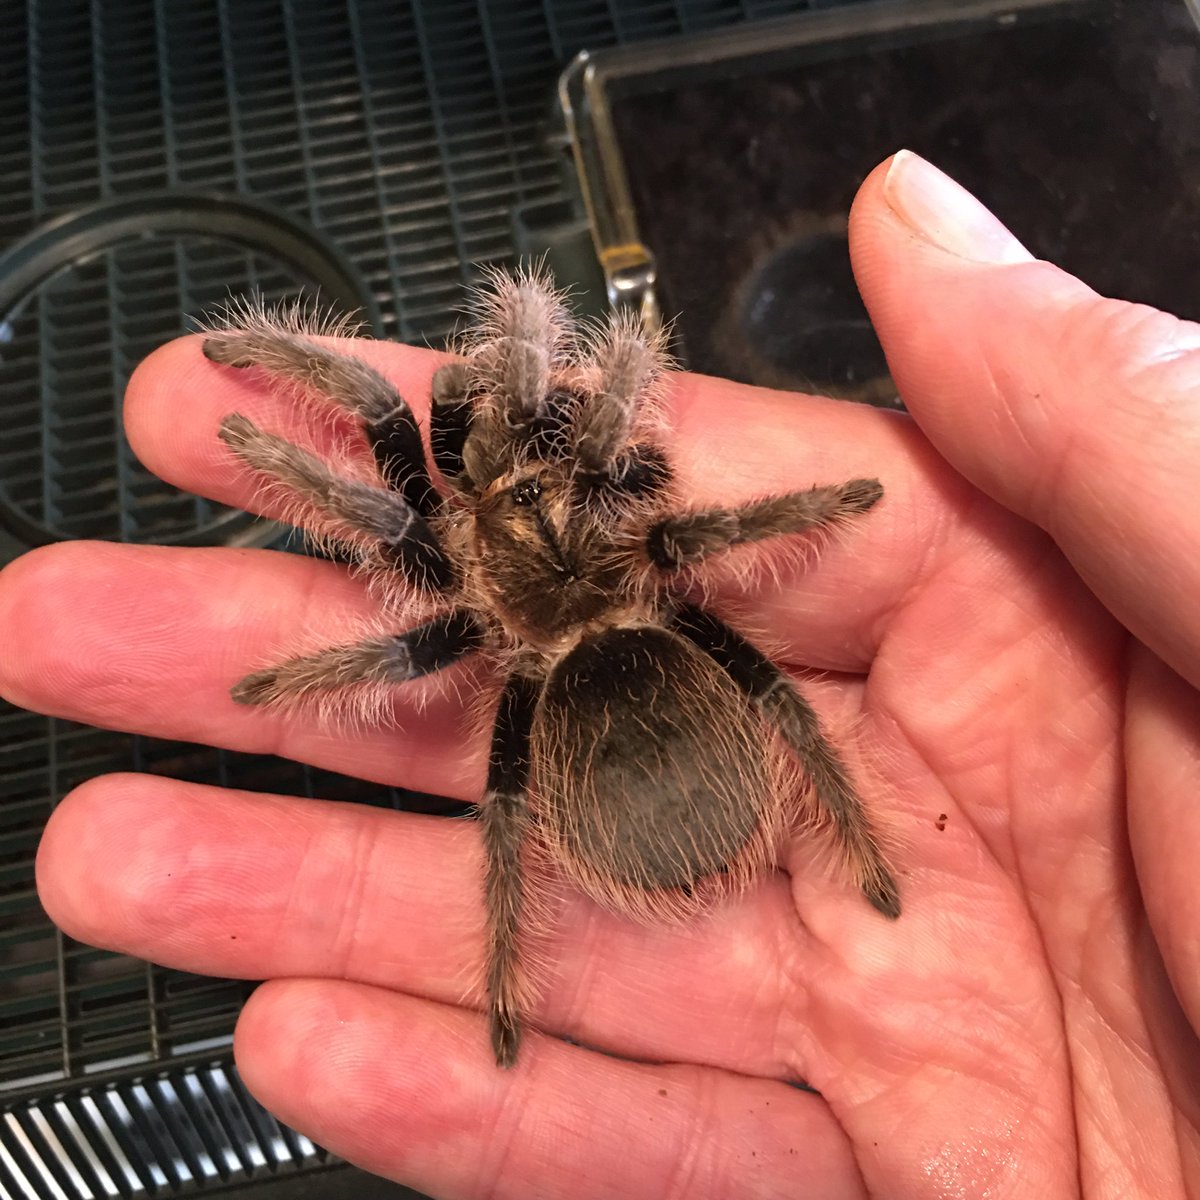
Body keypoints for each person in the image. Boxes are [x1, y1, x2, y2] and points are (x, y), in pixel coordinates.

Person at [3, 150, 1198, 1198]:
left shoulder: (453, 567)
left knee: (516, 795)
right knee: (763, 695)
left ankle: (531, 974)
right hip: (639, 663)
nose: (507, 476)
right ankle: (846, 850)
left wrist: (287, 503)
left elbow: (397, 511)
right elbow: (618, 374)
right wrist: (281, 422)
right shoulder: (638, 521)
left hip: (569, 689)